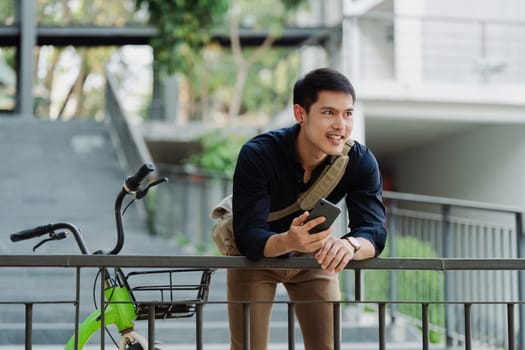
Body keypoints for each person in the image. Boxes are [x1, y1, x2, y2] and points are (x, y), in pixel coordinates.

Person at [228, 67, 387, 350]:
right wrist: (288, 240)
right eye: (329, 113)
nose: (341, 125)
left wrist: (349, 245)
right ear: (301, 114)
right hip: (257, 256)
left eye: (347, 113)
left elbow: (374, 232)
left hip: (315, 254)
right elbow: (248, 235)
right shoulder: (258, 154)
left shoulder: (360, 161)